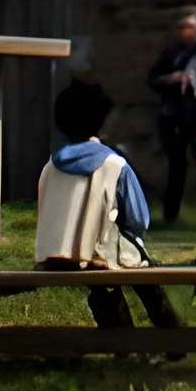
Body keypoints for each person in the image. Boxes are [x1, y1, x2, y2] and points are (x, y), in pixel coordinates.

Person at [34, 78, 154, 269]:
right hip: (98, 258)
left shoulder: (51, 166)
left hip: (50, 258)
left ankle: (110, 300)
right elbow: (139, 220)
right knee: (139, 254)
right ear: (101, 121)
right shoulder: (115, 164)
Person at [147, 10, 196, 221]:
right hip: (174, 117)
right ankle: (171, 214)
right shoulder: (171, 53)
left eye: (190, 28)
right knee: (177, 167)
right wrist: (171, 79)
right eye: (182, 28)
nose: (186, 32)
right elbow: (153, 79)